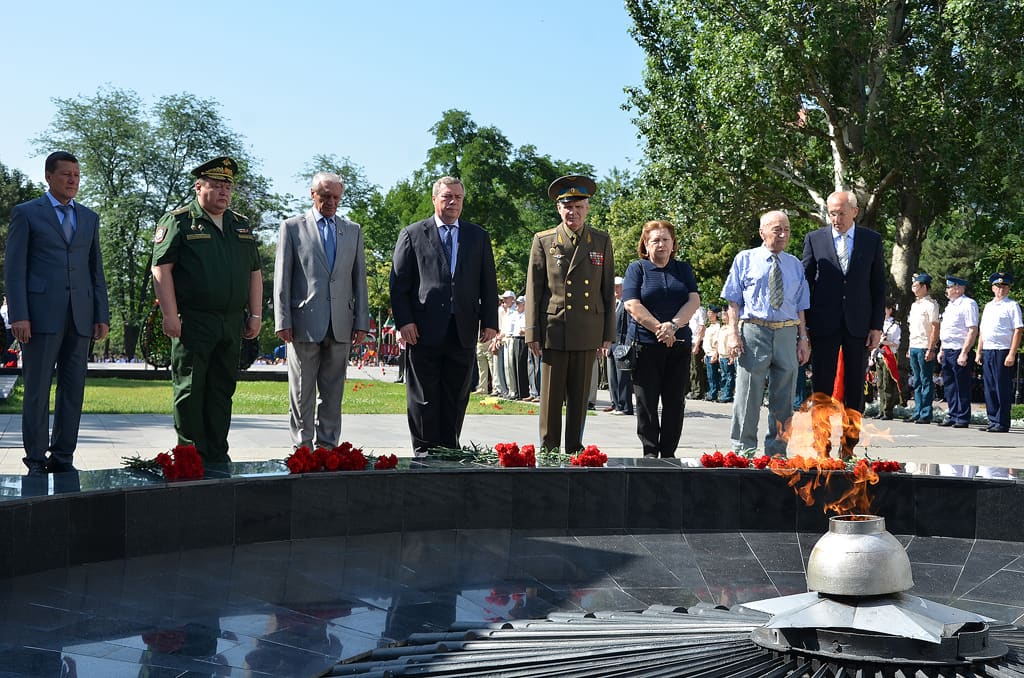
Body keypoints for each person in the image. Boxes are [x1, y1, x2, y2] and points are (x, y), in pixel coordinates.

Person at [4, 151, 110, 475]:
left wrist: (101, 314)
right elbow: (15, 268)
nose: (73, 180)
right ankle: (35, 459)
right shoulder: (26, 214)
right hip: (37, 318)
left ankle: (63, 456)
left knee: (73, 388)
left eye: (77, 175)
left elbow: (96, 271)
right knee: (37, 389)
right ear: (49, 176)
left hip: (80, 315)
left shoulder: (89, 218)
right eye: (66, 174)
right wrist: (19, 314)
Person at [152, 156, 262, 464]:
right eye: (216, 186)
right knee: (190, 388)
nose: (224, 192)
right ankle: (190, 454)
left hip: (230, 322)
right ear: (199, 187)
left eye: (227, 187)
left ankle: (216, 453)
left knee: (222, 388)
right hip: (194, 320)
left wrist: (255, 314)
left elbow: (254, 271)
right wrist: (170, 315)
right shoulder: (179, 220)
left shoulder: (239, 224)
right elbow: (161, 269)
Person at [389, 176, 498, 456]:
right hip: (423, 329)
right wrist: (405, 322)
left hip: (462, 327)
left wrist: (489, 321)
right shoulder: (413, 234)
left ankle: (449, 447)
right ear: (435, 199)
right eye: (447, 197)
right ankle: (425, 449)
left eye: (458, 198)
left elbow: (488, 282)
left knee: (456, 393)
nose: (453, 202)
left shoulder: (478, 236)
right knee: (424, 395)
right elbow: (399, 284)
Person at [274, 172, 369, 450]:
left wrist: (361, 321)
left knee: (333, 393)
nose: (331, 202)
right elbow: (282, 277)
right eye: (325, 196)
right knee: (302, 392)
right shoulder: (292, 227)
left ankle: (328, 448)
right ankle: (302, 449)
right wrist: (282, 319)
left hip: (341, 324)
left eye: (336, 197)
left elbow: (358, 279)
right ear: (312, 194)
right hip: (303, 323)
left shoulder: (352, 230)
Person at [525, 175, 614, 454]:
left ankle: (575, 449)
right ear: (558, 209)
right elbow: (534, 289)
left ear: (587, 208)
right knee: (551, 399)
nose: (573, 212)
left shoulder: (600, 240)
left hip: (588, 329)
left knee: (580, 398)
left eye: (579, 206)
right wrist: (532, 332)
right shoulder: (544, 241)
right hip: (555, 329)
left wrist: (608, 334)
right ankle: (549, 449)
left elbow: (607, 288)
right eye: (567, 207)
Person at [802, 190, 886, 457]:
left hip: (858, 324)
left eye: (840, 212)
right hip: (824, 323)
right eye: (831, 213)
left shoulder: (871, 240)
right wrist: (802, 326)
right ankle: (821, 444)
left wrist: (876, 326)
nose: (835, 218)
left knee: (854, 388)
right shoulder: (815, 239)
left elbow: (878, 285)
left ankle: (849, 445)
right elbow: (805, 282)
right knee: (822, 387)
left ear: (854, 211)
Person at [722, 211, 810, 456]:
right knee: (748, 394)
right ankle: (743, 450)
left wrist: (803, 338)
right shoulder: (745, 259)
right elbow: (733, 301)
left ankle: (777, 451)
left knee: (784, 398)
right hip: (754, 330)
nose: (783, 235)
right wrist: (733, 333)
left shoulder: (794, 264)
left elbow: (801, 305)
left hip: (786, 332)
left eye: (787, 230)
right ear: (762, 232)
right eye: (777, 229)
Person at [622, 221, 700, 457]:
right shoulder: (637, 269)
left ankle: (668, 453)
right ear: (646, 244)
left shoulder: (683, 269)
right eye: (655, 240)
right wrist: (660, 329)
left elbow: (693, 301)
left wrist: (673, 326)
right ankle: (649, 451)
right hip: (646, 346)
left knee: (675, 402)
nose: (661, 244)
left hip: (678, 346)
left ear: (673, 243)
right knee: (646, 402)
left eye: (665, 239)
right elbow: (631, 304)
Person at [974, 272, 1022, 433]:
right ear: (993, 288)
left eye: (1004, 286)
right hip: (988, 349)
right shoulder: (988, 306)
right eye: (998, 286)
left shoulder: (1012, 305)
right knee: (989, 388)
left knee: (1001, 387)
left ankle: (1002, 422)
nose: (1001, 289)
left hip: (1002, 351)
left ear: (1008, 289)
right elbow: (983, 330)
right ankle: (993, 420)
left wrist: (1012, 353)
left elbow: (1018, 330)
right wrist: (979, 351)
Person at [936, 276, 979, 428]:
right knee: (949, 385)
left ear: (958, 288)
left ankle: (962, 417)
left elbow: (972, 330)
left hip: (959, 349)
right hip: (948, 349)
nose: (947, 290)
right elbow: (946, 330)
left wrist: (965, 352)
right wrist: (941, 349)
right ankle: (953, 414)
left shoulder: (968, 304)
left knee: (962, 385)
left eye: (949, 287)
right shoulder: (950, 305)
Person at [904, 273, 941, 424]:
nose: (913, 287)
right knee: (917, 381)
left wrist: (931, 348)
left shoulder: (931, 305)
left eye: (916, 285)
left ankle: (925, 413)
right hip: (914, 345)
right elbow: (913, 329)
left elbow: (934, 328)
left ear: (924, 287)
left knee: (926, 380)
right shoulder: (915, 305)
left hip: (925, 346)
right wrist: (908, 347)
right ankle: (917, 410)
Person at [605, 277, 634, 415]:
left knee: (623, 377)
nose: (615, 289)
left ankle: (625, 406)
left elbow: (629, 325)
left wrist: (628, 344)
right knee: (613, 377)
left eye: (618, 286)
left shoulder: (627, 303)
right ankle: (617, 404)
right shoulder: (613, 304)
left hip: (623, 344)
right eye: (614, 286)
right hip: (612, 344)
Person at [872, 301, 902, 420]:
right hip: (879, 356)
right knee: (879, 384)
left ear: (890, 310)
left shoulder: (895, 326)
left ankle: (888, 411)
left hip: (889, 356)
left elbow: (896, 344)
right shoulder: (878, 324)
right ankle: (881, 410)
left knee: (887, 384)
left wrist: (884, 342)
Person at [703, 305, 723, 401]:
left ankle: (713, 393)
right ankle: (711, 392)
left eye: (710, 312)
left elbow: (717, 342)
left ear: (715, 314)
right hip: (708, 353)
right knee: (709, 375)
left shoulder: (717, 326)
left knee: (713, 375)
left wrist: (715, 353)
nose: (708, 314)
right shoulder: (710, 326)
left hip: (713, 353)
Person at [688, 304, 708, 399]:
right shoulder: (689, 309)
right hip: (689, 340)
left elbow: (702, 327)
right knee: (690, 367)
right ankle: (692, 389)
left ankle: (698, 391)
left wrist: (697, 345)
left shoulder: (701, 310)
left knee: (696, 367)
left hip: (697, 341)